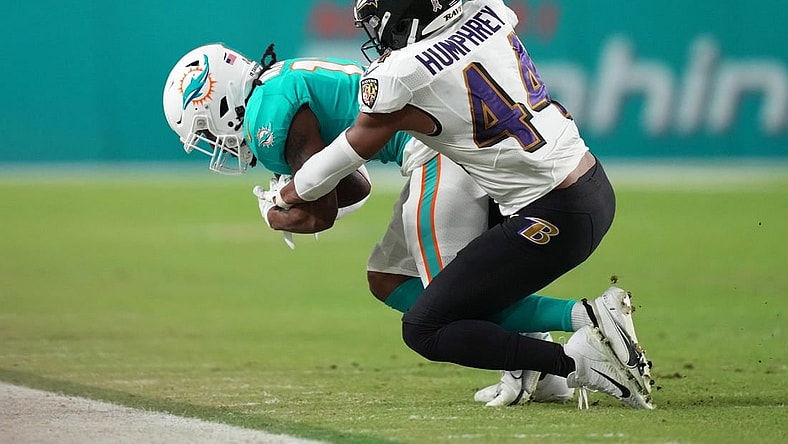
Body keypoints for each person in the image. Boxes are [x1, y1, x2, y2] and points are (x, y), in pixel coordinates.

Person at [266, 0, 654, 409]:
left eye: (377, 19)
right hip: (591, 185)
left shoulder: (403, 73)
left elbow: (337, 159)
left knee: (426, 326)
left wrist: (283, 195)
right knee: (441, 292)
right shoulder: (488, 10)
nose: (375, 32)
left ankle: (579, 358)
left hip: (549, 215)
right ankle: (551, 367)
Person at [163, 42, 580, 406]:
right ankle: (540, 367)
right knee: (388, 278)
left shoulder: (264, 113)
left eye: (205, 130)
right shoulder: (276, 84)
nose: (215, 143)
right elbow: (355, 186)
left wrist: (276, 212)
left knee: (452, 303)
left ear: (217, 101)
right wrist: (294, 196)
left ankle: (585, 321)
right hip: (428, 150)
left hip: (437, 149)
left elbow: (321, 211)